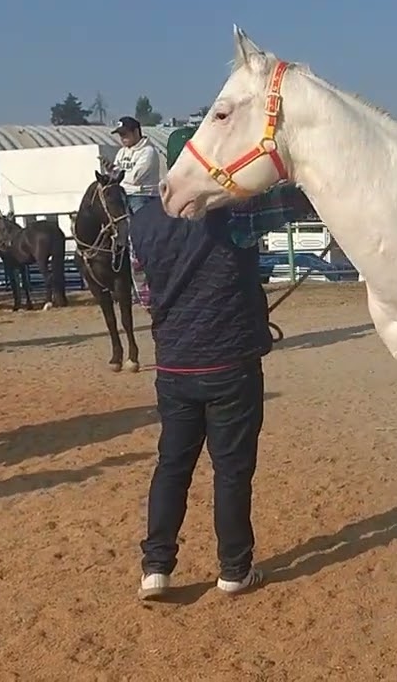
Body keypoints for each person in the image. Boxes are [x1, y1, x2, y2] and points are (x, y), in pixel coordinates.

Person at [132, 183, 304, 601]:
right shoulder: (234, 214)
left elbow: (144, 295)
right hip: (231, 364)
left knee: (172, 466)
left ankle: (156, 568)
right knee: (231, 471)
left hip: (173, 364)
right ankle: (234, 569)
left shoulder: (141, 222)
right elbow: (295, 200)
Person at [101, 116, 163, 304]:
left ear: (136, 132)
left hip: (142, 197)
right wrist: (112, 171)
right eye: (120, 135)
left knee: (140, 239)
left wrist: (117, 175)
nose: (123, 138)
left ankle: (150, 283)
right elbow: (118, 175)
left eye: (125, 134)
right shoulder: (121, 153)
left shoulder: (149, 152)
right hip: (123, 195)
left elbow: (135, 178)